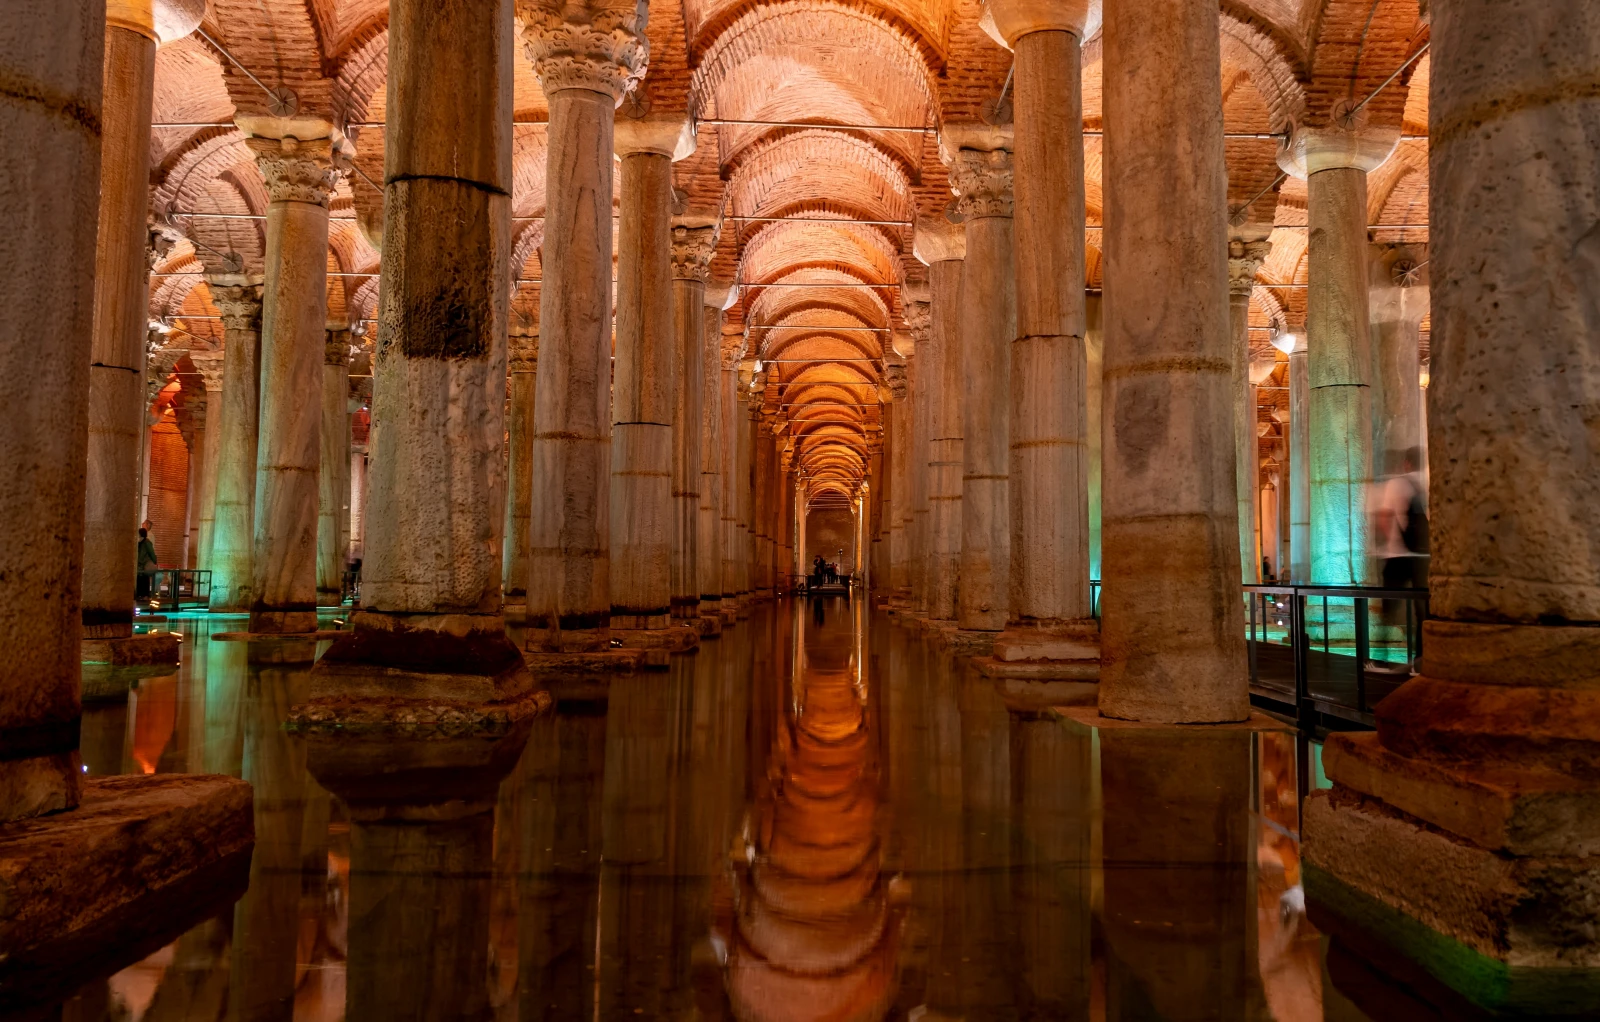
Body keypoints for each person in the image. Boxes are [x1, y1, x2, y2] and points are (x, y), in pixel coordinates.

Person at [136, 528, 158, 600]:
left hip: (144, 564)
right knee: (139, 579)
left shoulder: (147, 543)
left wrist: (154, 562)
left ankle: (145, 595)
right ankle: (140, 595)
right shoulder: (139, 542)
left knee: (144, 579)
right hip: (139, 565)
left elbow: (151, 553)